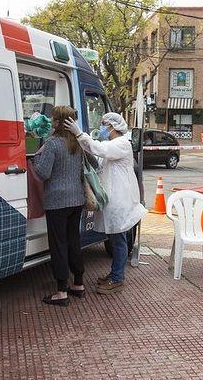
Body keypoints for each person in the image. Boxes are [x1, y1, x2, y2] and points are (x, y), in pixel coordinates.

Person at [64, 112, 147, 294]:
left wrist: (79, 134)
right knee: (115, 237)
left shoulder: (122, 144)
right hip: (113, 198)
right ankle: (115, 273)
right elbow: (97, 155)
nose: (102, 127)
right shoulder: (113, 143)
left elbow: (100, 149)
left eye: (104, 124)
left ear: (113, 126)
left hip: (121, 199)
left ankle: (118, 278)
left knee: (118, 240)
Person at [32, 106, 90, 306]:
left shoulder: (52, 144)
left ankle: (61, 291)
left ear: (57, 122)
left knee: (58, 244)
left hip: (57, 202)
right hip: (77, 200)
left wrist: (36, 157)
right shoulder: (78, 144)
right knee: (74, 241)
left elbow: (43, 173)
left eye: (53, 119)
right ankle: (79, 284)